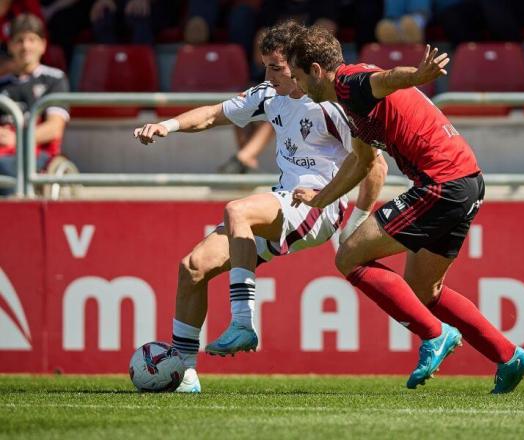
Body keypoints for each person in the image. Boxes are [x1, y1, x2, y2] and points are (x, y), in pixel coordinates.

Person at [133, 20, 387, 393]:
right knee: (192, 268)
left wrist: (357, 223)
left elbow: (375, 164)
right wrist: (167, 126)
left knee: (238, 210)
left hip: (318, 206)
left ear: (299, 65)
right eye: (265, 66)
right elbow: (212, 114)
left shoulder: (333, 103)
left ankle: (242, 322)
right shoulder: (269, 94)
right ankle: (184, 373)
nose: (268, 74)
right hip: (282, 203)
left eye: (276, 67)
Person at [287, 25, 524, 393]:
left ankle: (434, 335)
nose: (297, 86)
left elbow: (386, 79)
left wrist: (417, 76)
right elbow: (361, 163)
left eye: (297, 76)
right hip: (466, 183)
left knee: (348, 256)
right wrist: (320, 199)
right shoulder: (349, 104)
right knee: (424, 290)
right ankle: (508, 355)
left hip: (442, 183)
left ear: (316, 70)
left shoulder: (348, 83)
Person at [0, 13, 69, 196]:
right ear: (10, 46)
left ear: (43, 45)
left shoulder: (54, 79)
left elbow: (55, 128)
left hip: (37, 154)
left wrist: (17, 139)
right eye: (19, 40)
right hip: (2, 150)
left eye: (32, 39)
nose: (25, 46)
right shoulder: (2, 84)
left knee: (5, 167)